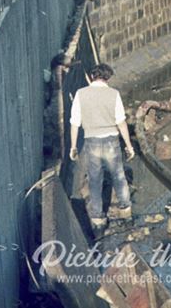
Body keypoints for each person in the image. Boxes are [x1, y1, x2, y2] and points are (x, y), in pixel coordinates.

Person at [69, 63, 134, 230]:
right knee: (118, 176)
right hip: (112, 139)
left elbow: (75, 122)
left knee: (95, 180)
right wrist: (128, 145)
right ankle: (126, 212)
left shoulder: (80, 94)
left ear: (92, 76)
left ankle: (98, 219)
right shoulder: (113, 94)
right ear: (107, 78)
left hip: (92, 141)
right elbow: (121, 122)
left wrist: (73, 146)